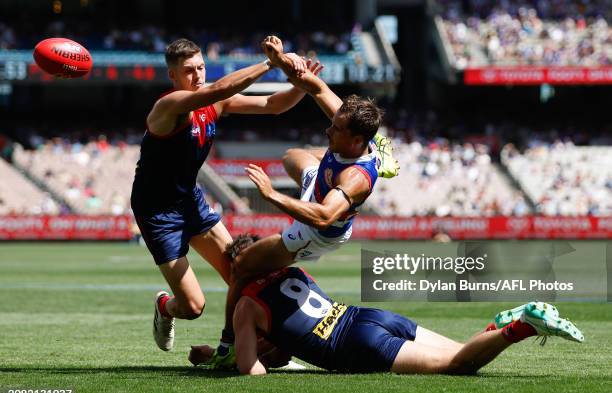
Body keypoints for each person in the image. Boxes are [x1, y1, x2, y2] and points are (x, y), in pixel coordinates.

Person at [209, 36, 398, 362]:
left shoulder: (355, 178)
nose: (328, 131)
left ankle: (225, 348)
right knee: (291, 156)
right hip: (322, 187)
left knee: (241, 266)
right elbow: (311, 84)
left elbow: (324, 217)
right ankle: (378, 147)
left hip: (318, 232)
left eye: (336, 130)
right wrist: (281, 59)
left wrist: (271, 195)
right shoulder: (346, 127)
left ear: (356, 141)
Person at [130, 36, 321, 352]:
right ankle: (165, 307)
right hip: (158, 213)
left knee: (241, 271)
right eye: (189, 70)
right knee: (193, 307)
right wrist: (269, 63)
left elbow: (274, 105)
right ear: (173, 77)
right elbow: (218, 89)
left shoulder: (214, 102)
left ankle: (252, 343)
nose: (198, 75)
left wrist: (302, 84)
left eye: (202, 67)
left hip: (190, 200)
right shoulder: (167, 106)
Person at [191, 234, 584, 375]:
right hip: (365, 316)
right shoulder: (294, 274)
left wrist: (223, 359)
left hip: (356, 346)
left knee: (459, 366)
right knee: (463, 354)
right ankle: (504, 322)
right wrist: (217, 354)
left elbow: (254, 369)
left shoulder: (245, 304)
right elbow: (283, 342)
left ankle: (524, 326)